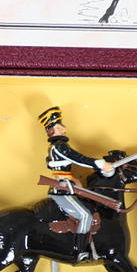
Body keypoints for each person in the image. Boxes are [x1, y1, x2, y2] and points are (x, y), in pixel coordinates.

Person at [38, 106, 113, 259]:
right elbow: (79, 159)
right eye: (59, 127)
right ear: (51, 131)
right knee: (85, 216)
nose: (63, 129)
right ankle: (80, 251)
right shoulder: (60, 146)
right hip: (62, 191)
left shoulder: (55, 147)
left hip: (68, 186)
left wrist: (72, 178)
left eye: (61, 126)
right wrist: (100, 164)